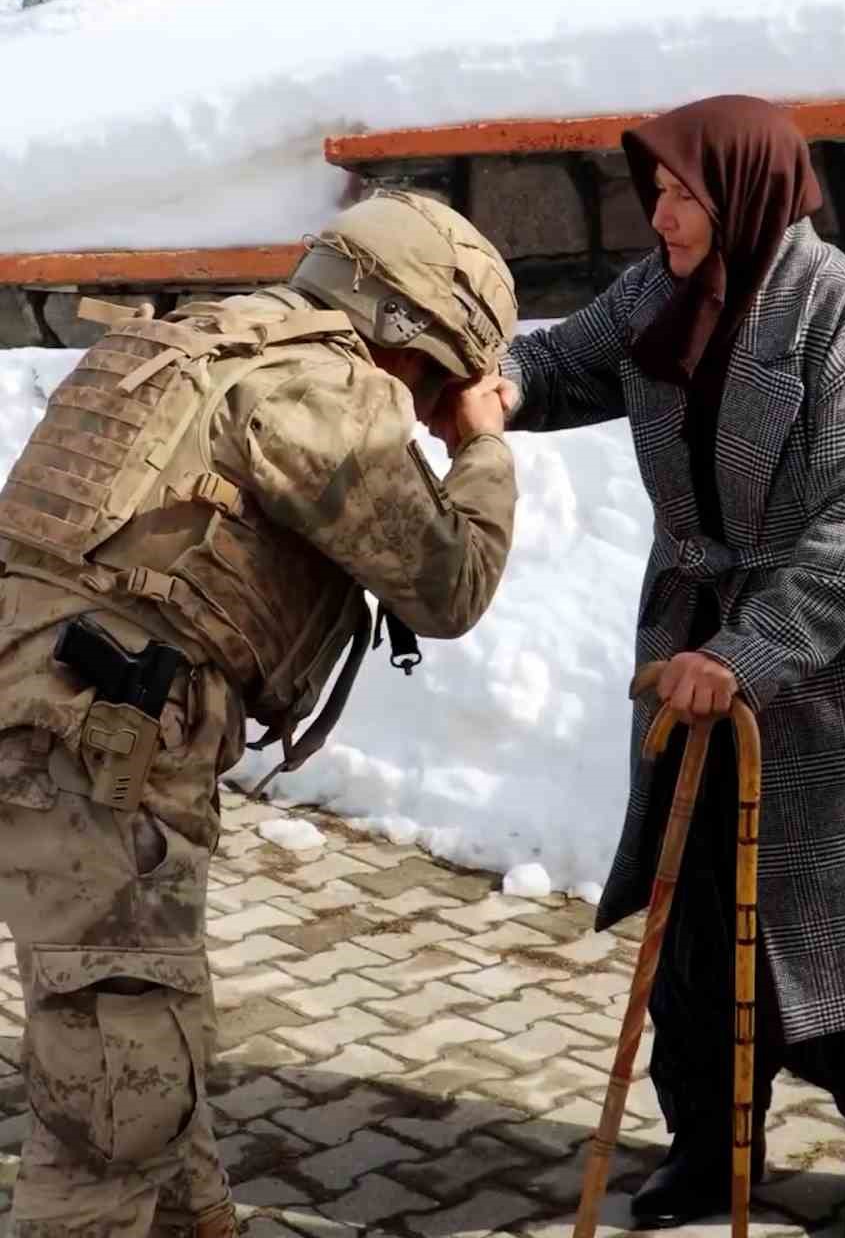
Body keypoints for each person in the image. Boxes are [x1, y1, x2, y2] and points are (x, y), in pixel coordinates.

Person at [0, 190, 518, 1238]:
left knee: (147, 1026)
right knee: (116, 1088)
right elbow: (448, 584)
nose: (425, 409)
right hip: (91, 751)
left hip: (45, 724)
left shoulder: (199, 340)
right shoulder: (320, 389)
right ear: (418, 336)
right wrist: (481, 445)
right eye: (438, 386)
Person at [500, 96, 845, 1238]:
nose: (661, 215)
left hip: (822, 669)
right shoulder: (659, 292)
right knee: (696, 912)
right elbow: (567, 360)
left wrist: (746, 653)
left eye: (683, 194)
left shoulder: (842, 315)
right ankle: (713, 1138)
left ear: (746, 195)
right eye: (658, 192)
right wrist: (500, 390)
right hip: (689, 655)